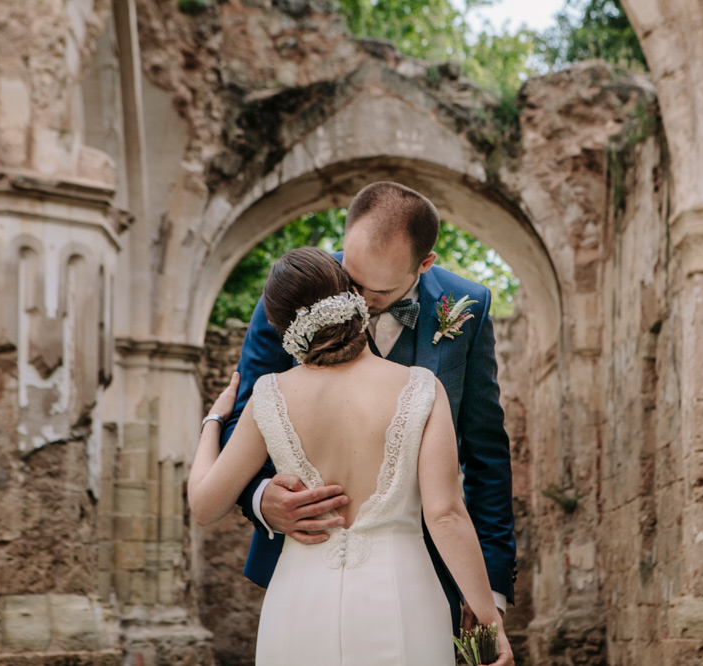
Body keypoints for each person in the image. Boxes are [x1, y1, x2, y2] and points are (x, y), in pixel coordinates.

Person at [189, 247, 513, 664]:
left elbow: (203, 505)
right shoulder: (422, 388)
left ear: (281, 325)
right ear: (354, 298)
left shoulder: (268, 396)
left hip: (298, 602)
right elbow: (447, 515)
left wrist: (214, 419)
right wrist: (490, 622)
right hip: (403, 599)